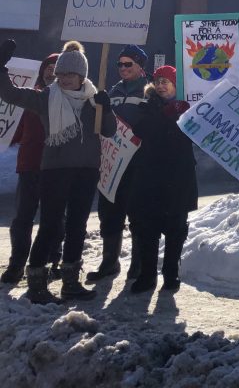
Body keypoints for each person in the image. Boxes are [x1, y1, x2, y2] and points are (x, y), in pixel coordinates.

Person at [0, 39, 115, 304]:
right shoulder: (45, 98)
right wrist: (1, 68)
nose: (62, 78)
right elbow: (11, 94)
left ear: (82, 76)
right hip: (55, 170)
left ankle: (71, 282)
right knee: (51, 226)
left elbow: (108, 131)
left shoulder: (93, 100)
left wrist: (106, 108)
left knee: (77, 226)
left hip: (86, 170)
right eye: (60, 73)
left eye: (69, 74)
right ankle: (37, 282)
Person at [125, 65, 196, 295]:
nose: (161, 85)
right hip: (151, 175)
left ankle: (170, 272)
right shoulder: (147, 106)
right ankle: (147, 275)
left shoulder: (190, 107)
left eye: (167, 81)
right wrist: (166, 115)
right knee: (148, 227)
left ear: (177, 85)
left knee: (176, 228)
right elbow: (141, 129)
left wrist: (184, 114)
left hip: (179, 176)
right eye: (158, 81)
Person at [1, 52, 64, 285]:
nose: (51, 70)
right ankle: (17, 264)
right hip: (29, 165)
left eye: (56, 66)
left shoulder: (67, 98)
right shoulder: (29, 97)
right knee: (22, 218)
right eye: (48, 66)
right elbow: (15, 132)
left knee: (55, 218)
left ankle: (52, 262)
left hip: (56, 167)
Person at [87, 44, 149, 283]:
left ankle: (138, 262)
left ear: (140, 67)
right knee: (109, 212)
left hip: (137, 161)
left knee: (137, 212)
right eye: (120, 64)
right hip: (111, 162)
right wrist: (101, 105)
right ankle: (109, 261)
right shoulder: (113, 90)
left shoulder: (148, 91)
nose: (123, 68)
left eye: (128, 64)